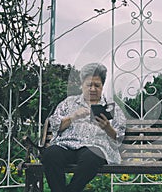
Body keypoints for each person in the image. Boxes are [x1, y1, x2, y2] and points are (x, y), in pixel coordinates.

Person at [41, 63, 126, 192]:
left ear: (102, 86)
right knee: (50, 154)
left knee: (91, 157)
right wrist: (72, 117)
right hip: (66, 145)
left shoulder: (111, 107)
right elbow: (55, 125)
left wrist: (107, 127)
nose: (92, 89)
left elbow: (118, 137)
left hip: (95, 147)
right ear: (82, 85)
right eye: (89, 85)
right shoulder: (68, 102)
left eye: (97, 85)